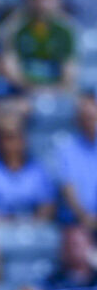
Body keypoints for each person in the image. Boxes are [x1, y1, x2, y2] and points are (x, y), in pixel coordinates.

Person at [0, 0, 78, 94]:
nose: (44, 4)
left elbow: (69, 74)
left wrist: (52, 92)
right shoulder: (14, 27)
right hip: (22, 93)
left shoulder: (66, 29)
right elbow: (10, 71)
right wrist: (34, 90)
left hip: (58, 94)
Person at [0, 114, 55, 223]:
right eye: (5, 138)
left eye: (14, 137)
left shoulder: (38, 169)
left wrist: (30, 227)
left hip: (32, 230)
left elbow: (47, 205)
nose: (10, 144)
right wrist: (5, 225)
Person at [53, 89, 97, 232]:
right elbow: (68, 188)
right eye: (85, 117)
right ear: (77, 119)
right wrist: (85, 217)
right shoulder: (66, 149)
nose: (90, 121)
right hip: (78, 222)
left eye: (92, 116)